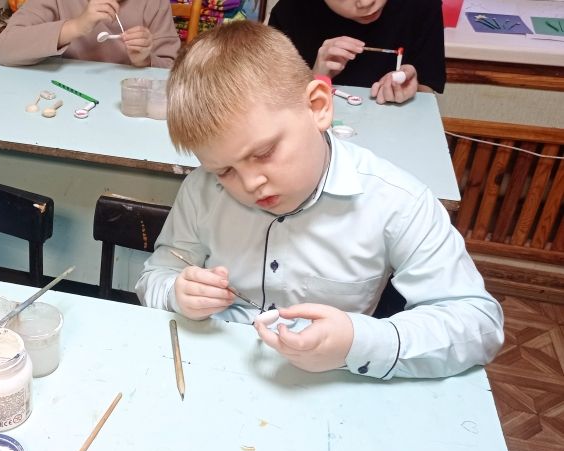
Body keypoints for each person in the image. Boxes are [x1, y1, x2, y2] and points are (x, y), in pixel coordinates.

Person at [135, 21, 503, 379]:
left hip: (329, 386)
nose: (250, 183)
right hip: (212, 372)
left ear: (318, 107)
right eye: (225, 171)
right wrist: (177, 293)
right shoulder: (202, 189)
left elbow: (479, 324)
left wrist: (357, 342)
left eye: (263, 153)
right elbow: (156, 275)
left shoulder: (396, 201)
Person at [268, 0, 445, 104]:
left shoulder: (421, 5)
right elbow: (275, 105)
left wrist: (413, 89)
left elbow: (427, 92)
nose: (366, 3)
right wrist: (316, 78)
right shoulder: (290, 12)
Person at [0, 0, 180, 68]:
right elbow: (5, 49)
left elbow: (175, 72)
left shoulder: (154, 3)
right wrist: (76, 26)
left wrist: (145, 61)